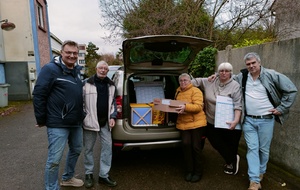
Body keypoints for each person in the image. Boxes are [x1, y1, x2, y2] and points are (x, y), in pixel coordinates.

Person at [236, 52, 297, 190]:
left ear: (259, 62)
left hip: (266, 120)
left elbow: (291, 90)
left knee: (263, 149)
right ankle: (254, 180)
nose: (251, 66)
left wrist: (281, 108)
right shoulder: (243, 76)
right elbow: (229, 79)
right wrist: (215, 76)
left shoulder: (271, 75)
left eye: (253, 63)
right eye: (248, 64)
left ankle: (261, 171)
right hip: (248, 120)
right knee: (252, 149)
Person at [33, 40, 85, 189]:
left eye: (75, 53)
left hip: (75, 122)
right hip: (58, 123)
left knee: (76, 149)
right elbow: (39, 94)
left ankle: (67, 178)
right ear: (61, 53)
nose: (72, 55)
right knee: (54, 159)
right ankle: (51, 187)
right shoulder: (50, 69)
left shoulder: (76, 72)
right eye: (68, 52)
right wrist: (41, 118)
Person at [192, 62, 243, 175]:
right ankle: (232, 159)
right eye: (221, 71)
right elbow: (192, 82)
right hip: (211, 120)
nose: (224, 73)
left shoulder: (235, 85)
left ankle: (230, 163)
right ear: (218, 72)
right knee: (215, 142)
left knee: (230, 143)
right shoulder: (209, 81)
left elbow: (238, 105)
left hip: (228, 121)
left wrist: (235, 120)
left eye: (226, 71)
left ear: (231, 72)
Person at [82, 60, 117, 188]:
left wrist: (113, 117)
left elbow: (113, 103)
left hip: (105, 123)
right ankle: (89, 174)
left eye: (105, 69)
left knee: (107, 148)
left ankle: (104, 175)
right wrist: (84, 116)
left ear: (107, 71)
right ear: (96, 69)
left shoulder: (112, 85)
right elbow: (80, 102)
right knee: (88, 149)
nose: (103, 70)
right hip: (90, 122)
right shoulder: (86, 84)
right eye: (101, 68)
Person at [175, 73, 207, 183]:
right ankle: (189, 170)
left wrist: (185, 107)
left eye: (185, 80)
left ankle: (198, 172)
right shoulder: (178, 91)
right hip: (183, 123)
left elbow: (198, 107)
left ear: (190, 81)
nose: (183, 82)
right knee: (185, 145)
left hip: (197, 123)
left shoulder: (196, 91)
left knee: (196, 147)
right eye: (181, 81)